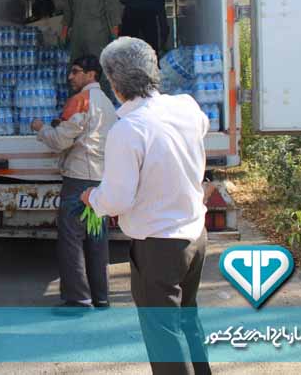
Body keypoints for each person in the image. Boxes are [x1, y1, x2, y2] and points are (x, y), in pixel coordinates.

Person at [81, 37, 212, 375]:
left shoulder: (128, 129)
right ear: (153, 71)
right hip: (195, 235)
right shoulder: (186, 107)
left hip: (158, 246)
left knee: (164, 336)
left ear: (114, 82)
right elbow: (201, 130)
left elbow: (117, 199)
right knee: (187, 321)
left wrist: (92, 198)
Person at [31, 55, 116, 315]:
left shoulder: (80, 100)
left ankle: (77, 300)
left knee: (71, 239)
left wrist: (41, 128)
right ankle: (101, 297)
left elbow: (59, 141)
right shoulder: (107, 103)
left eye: (76, 71)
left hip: (79, 180)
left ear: (91, 75)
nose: (70, 76)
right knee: (96, 239)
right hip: (100, 179)